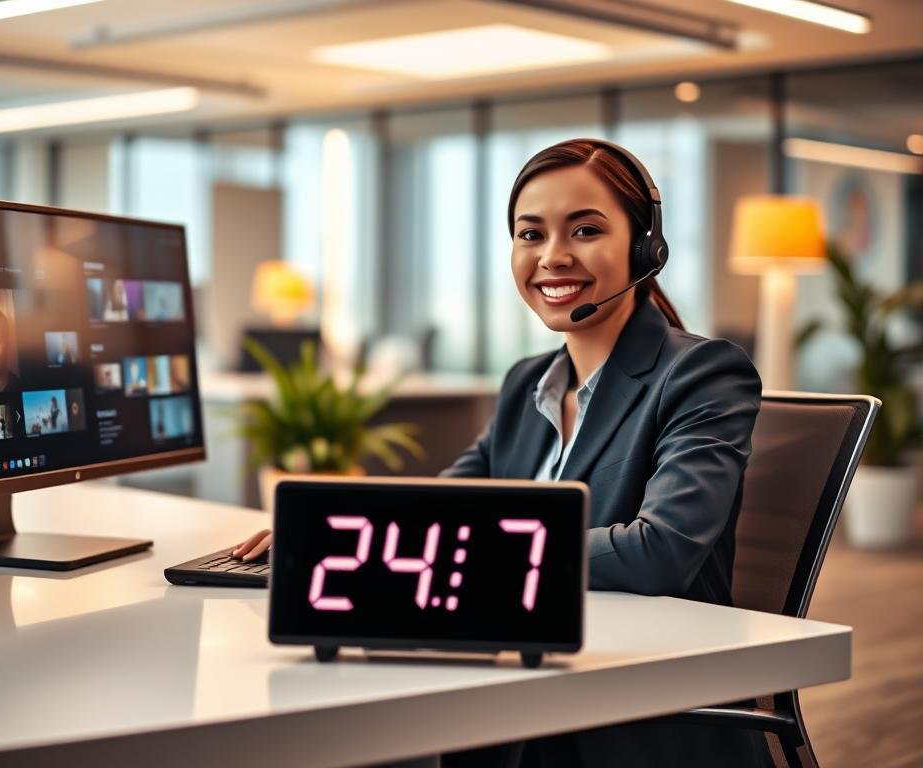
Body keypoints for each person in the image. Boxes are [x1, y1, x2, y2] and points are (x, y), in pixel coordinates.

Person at [231, 139, 767, 766]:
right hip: (513, 692)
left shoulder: (702, 374)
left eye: (586, 230)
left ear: (646, 247)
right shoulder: (525, 384)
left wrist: (477, 550)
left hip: (631, 714)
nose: (552, 256)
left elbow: (661, 551)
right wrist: (325, 534)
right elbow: (447, 502)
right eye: (530, 234)